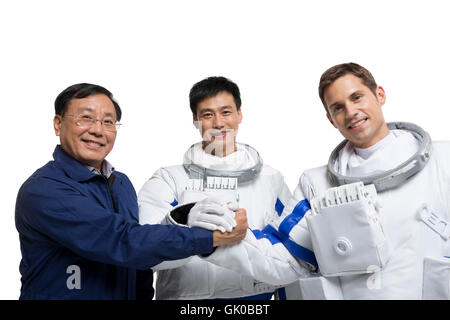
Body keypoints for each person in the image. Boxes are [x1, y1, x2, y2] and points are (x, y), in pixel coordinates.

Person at [205, 63, 450, 299]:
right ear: (331, 119)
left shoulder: (442, 161)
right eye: (338, 107)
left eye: (357, 97)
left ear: (380, 95)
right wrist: (213, 239)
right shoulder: (316, 184)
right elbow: (284, 258)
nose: (351, 112)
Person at [14, 83, 247, 300]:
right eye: (85, 118)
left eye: (108, 122)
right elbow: (122, 240)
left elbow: (138, 265)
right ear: (58, 124)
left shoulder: (120, 183)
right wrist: (211, 238)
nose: (97, 130)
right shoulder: (45, 189)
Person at [138, 76, 305, 300]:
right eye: (207, 115)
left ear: (239, 115)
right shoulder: (169, 179)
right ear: (196, 121)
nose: (218, 123)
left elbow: (291, 251)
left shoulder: (271, 179)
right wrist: (184, 223)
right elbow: (143, 251)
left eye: (226, 112)